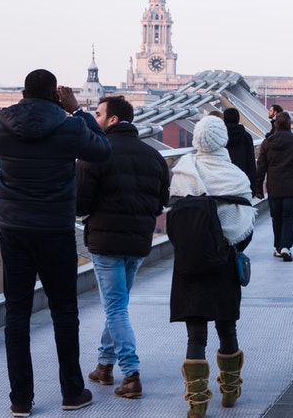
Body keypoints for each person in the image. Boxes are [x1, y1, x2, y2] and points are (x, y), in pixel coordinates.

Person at [0, 69, 111, 415]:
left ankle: (19, 400)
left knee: (17, 313)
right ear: (55, 95)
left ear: (23, 94)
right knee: (64, 312)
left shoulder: (2, 124)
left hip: (15, 230)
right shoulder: (69, 125)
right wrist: (77, 111)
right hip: (56, 231)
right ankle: (72, 393)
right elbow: (103, 150)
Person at [76, 95, 170, 399]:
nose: (96, 119)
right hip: (139, 240)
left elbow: (80, 205)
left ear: (113, 120)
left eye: (99, 115)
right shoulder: (154, 156)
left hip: (105, 242)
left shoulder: (96, 154)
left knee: (115, 306)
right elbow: (161, 202)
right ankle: (104, 365)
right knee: (118, 305)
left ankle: (130, 374)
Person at [169, 115, 256, 417]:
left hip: (189, 265)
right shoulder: (236, 177)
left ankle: (197, 403)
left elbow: (174, 225)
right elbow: (244, 231)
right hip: (223, 263)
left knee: (196, 336)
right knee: (226, 327)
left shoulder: (182, 172)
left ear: (196, 140)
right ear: (223, 140)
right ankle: (230, 392)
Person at [256, 111, 293, 261]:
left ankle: (278, 247)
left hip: (274, 187)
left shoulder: (267, 143)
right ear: (289, 124)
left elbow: (261, 167)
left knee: (276, 217)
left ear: (275, 124)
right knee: (289, 217)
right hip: (292, 188)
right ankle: (285, 247)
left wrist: (258, 189)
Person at [223, 108, 257, 197]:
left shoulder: (220, 136)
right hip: (242, 179)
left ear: (224, 119)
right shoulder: (246, 136)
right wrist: (253, 187)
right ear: (238, 119)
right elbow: (251, 161)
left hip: (223, 179)